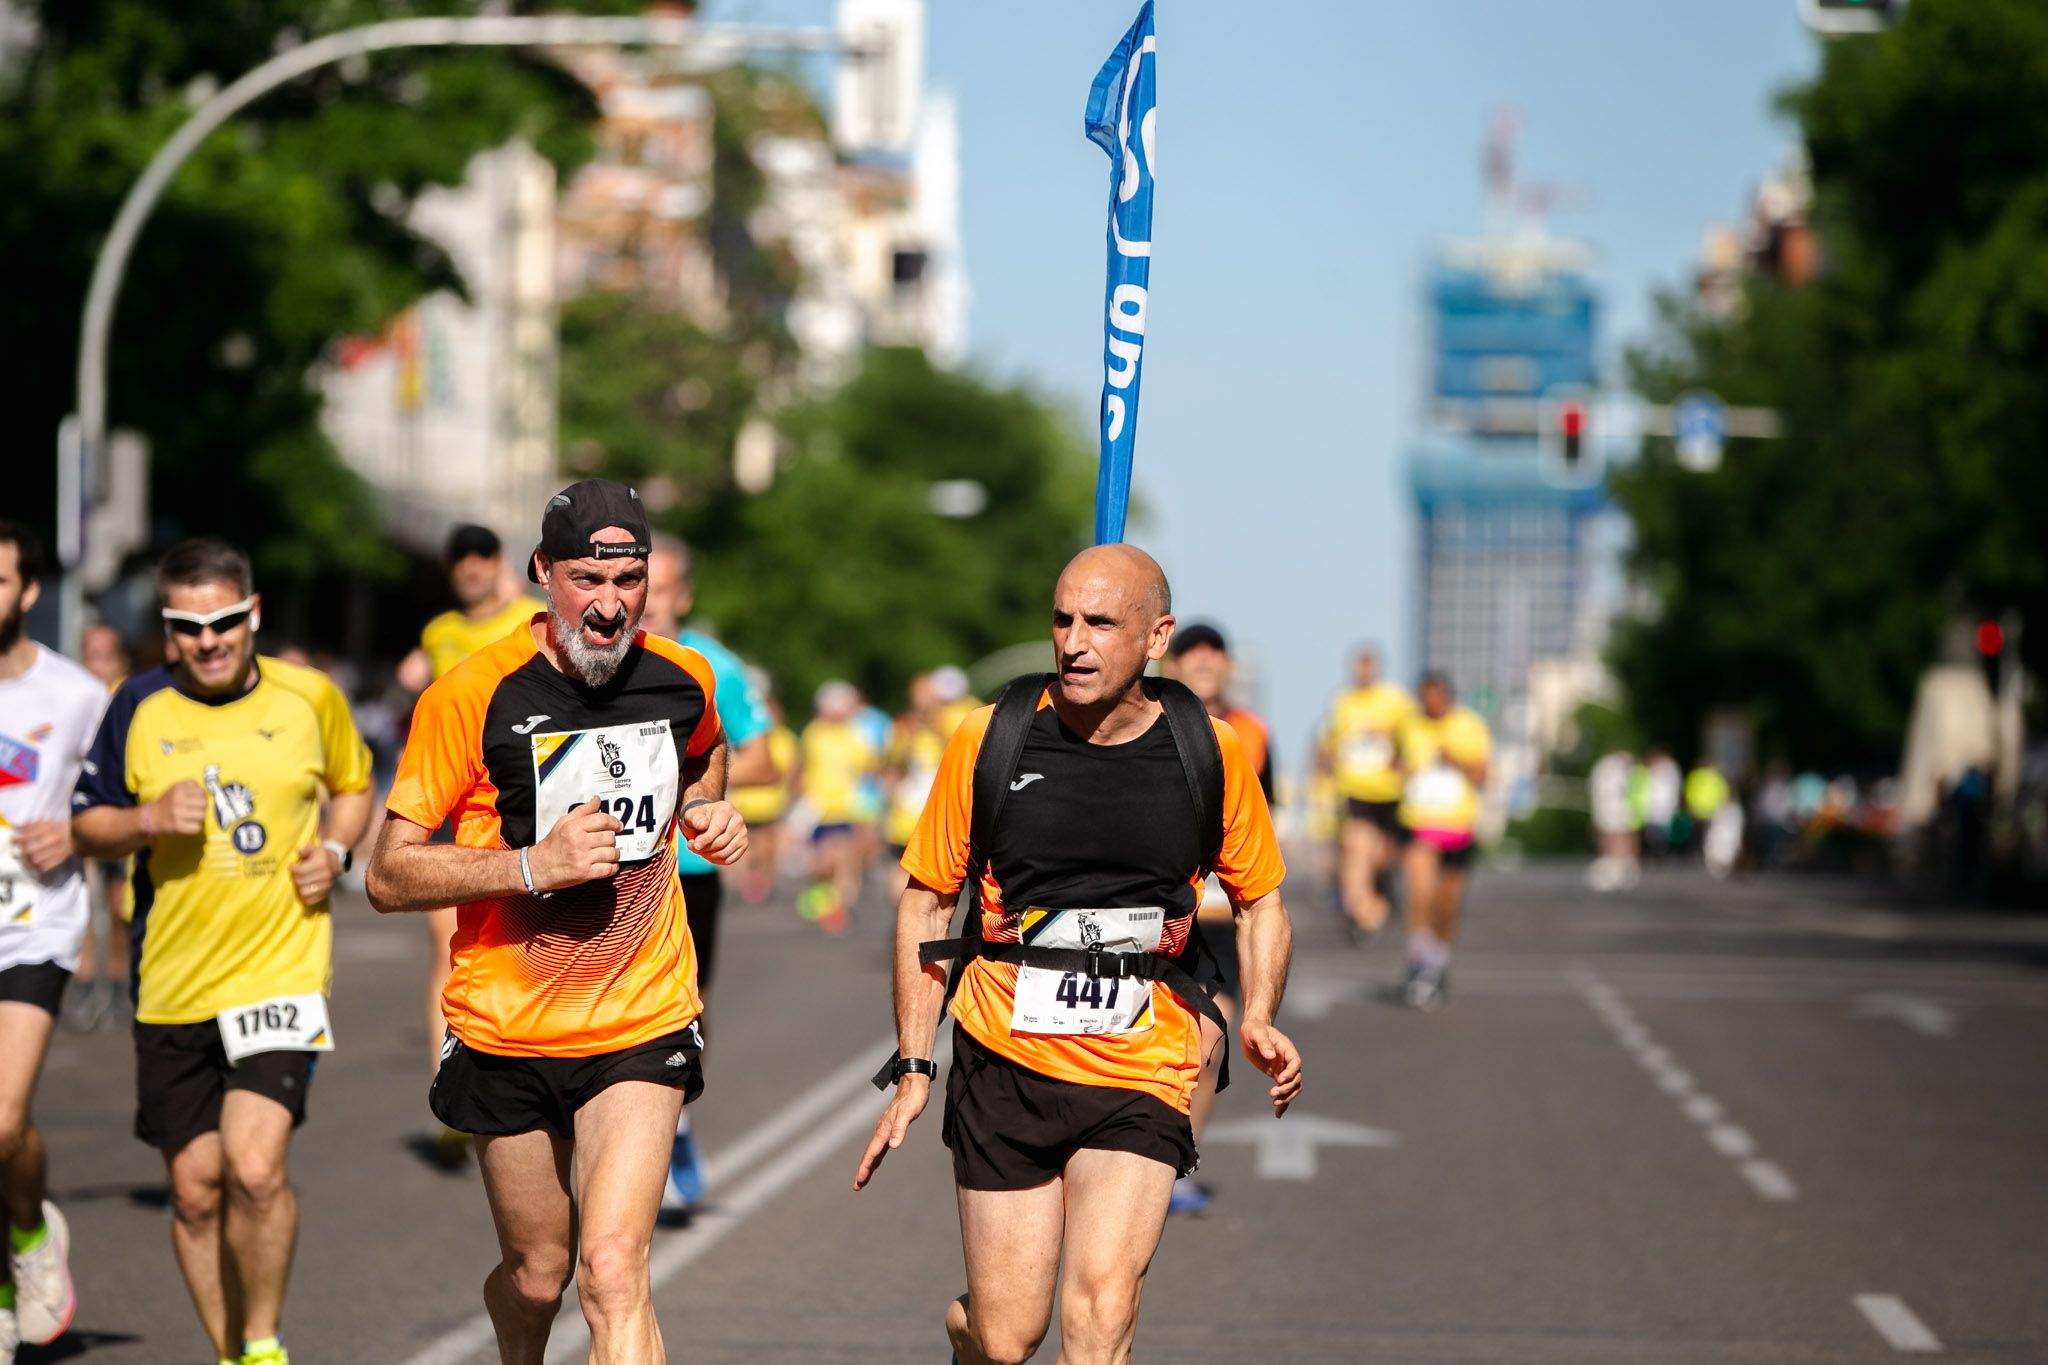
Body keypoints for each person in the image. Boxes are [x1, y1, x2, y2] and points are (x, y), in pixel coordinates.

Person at [853, 544, 1303, 1365]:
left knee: (1098, 1315)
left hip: (1143, 1059)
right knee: (1006, 1333)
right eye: (1063, 619)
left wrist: (1261, 1012)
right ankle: (970, 1337)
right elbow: (925, 897)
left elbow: (1262, 898)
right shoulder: (992, 737)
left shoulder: (1210, 750)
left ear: (1157, 635)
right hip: (1004, 1054)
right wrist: (916, 1065)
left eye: (1100, 622)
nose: (1074, 641)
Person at [365, 480, 746, 1365]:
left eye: (629, 580)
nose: (609, 607)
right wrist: (533, 865)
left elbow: (710, 750)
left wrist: (708, 809)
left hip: (640, 1013)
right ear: (542, 573)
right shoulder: (472, 692)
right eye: (586, 579)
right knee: (540, 1273)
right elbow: (388, 873)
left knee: (613, 1272)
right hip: (509, 1024)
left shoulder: (683, 677)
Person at [72, 538, 374, 1365]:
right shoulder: (137, 704)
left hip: (280, 968)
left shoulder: (309, 696)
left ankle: (266, 1342)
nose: (208, 641)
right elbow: (85, 824)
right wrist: (141, 821)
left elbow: (354, 785)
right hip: (171, 983)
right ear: (168, 629)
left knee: (253, 1166)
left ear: (254, 616)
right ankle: (230, 1350)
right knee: (196, 1191)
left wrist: (338, 853)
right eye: (188, 626)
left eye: (224, 622)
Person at [640, 532, 779, 1216]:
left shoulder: (713, 665)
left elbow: (764, 761)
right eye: (641, 586)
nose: (646, 604)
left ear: (683, 594)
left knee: (685, 1002)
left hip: (687, 865)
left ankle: (676, 1118)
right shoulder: (599, 657)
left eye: (661, 591)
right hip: (609, 862)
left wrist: (685, 778)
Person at [400, 525, 540, 1170]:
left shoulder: (526, 619)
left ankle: (526, 1072)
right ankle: (449, 1089)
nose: (470, 571)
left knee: (520, 943)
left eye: (481, 559)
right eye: (460, 561)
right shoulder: (437, 632)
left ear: (498, 564)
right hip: (456, 805)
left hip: (520, 804)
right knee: (446, 950)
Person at [0, 524, 108, 1361]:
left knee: (1, 1123)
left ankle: (31, 1234)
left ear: (28, 591)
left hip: (33, 927)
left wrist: (73, 832)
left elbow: (117, 807)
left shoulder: (74, 696)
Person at [1161, 621, 1273, 1216]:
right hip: (1155, 914)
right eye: (1192, 654)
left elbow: (1262, 823)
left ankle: (1178, 1162)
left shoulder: (1251, 734)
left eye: (1214, 654)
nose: (1204, 663)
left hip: (1219, 921)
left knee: (1210, 1039)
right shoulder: (1145, 721)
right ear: (1170, 662)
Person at [1393, 673, 1491, 1011]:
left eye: (1437, 697)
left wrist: (1456, 761)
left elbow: (1483, 775)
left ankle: (1437, 960)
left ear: (1448, 696)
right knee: (1419, 893)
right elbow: (1395, 763)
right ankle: (1419, 961)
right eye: (1425, 697)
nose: (1431, 704)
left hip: (1458, 828)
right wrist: (1401, 769)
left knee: (1447, 903)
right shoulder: (1409, 727)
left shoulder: (1469, 726)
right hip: (1419, 824)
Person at [1317, 646, 1414, 944]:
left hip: (1389, 794)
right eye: (1358, 664)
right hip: (1354, 793)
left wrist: (1402, 762)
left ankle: (1378, 898)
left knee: (1382, 857)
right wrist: (1324, 780)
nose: (1363, 670)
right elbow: (1328, 746)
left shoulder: (1396, 701)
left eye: (1368, 664)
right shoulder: (1343, 702)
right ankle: (1363, 912)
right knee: (1358, 847)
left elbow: (1412, 742)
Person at [66, 623, 135, 1031]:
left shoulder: (127, 696)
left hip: (121, 813)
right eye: (91, 655)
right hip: (79, 814)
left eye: (105, 656)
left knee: (119, 903)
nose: (98, 664)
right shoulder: (73, 695)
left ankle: (118, 981)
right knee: (82, 905)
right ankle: (85, 981)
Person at [881, 668, 979, 902]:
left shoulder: (957, 717)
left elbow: (965, 752)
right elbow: (893, 762)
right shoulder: (906, 725)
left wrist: (932, 722)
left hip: (942, 808)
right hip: (909, 810)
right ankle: (907, 920)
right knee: (904, 876)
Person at [796, 680, 879, 934]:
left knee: (844, 858)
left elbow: (869, 767)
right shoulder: (814, 733)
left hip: (847, 808)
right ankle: (823, 896)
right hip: (818, 809)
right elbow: (804, 768)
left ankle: (843, 906)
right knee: (822, 862)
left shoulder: (856, 734)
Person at [729, 679, 796, 906]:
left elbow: (788, 772)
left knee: (767, 848)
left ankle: (764, 883)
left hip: (770, 804)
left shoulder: (785, 740)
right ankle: (744, 886)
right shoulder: (744, 738)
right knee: (745, 848)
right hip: (745, 803)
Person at [1587, 749, 1641, 892]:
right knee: (1613, 836)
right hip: (1611, 808)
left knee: (1618, 835)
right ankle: (1613, 865)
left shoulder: (1614, 770)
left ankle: (1623, 865)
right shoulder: (1611, 770)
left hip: (1616, 808)